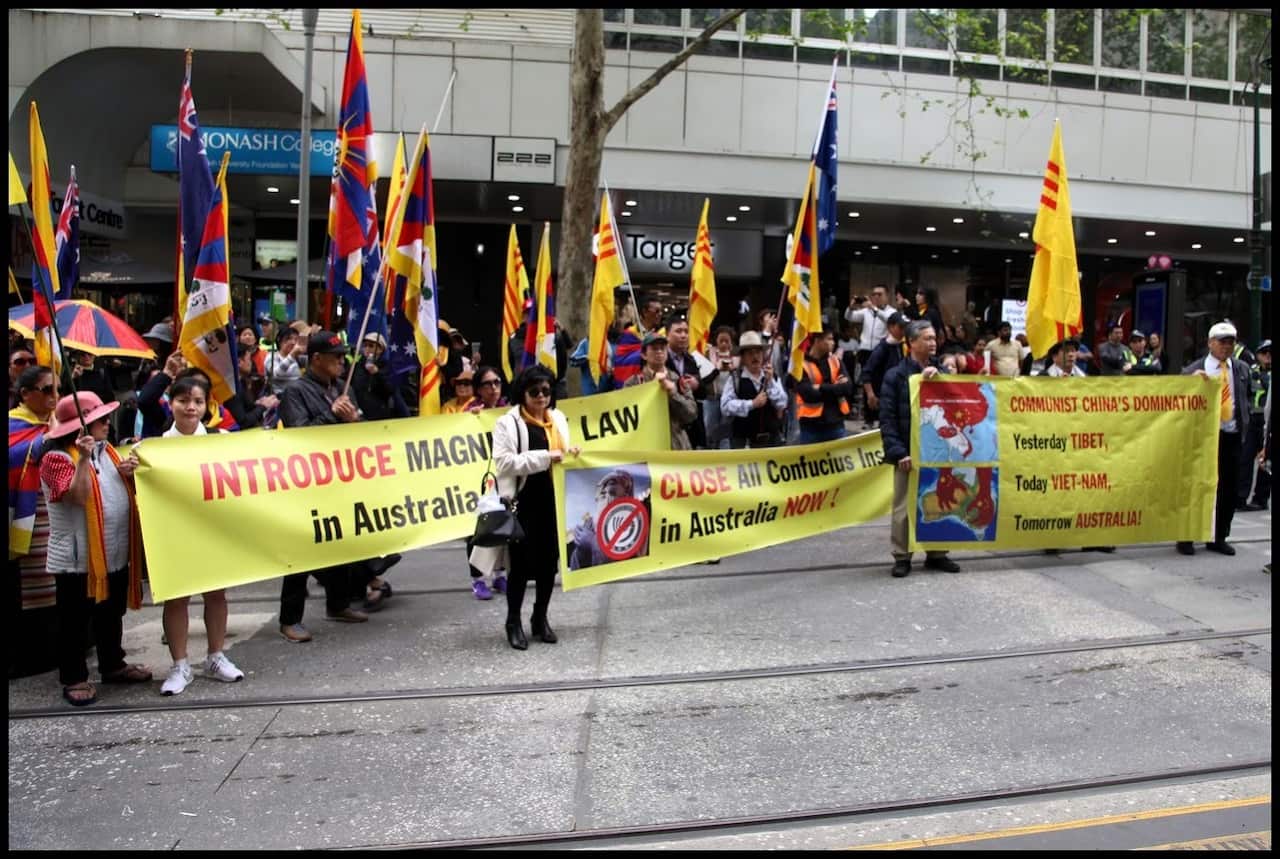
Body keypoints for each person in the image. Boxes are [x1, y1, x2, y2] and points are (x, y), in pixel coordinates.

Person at [40, 390, 150, 706]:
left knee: (110, 612)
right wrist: (84, 459)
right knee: (75, 619)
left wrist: (127, 474)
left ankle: (112, 663)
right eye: (99, 419)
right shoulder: (56, 458)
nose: (106, 423)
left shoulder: (109, 452)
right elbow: (76, 497)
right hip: (77, 558)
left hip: (112, 553)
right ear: (81, 427)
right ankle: (74, 676)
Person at [473, 364, 579, 650]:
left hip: (553, 502)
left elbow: (563, 454)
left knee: (548, 567)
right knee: (518, 569)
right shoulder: (508, 423)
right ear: (523, 392)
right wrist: (547, 457)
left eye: (546, 391)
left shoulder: (557, 418)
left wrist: (571, 453)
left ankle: (540, 618)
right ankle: (513, 621)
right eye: (535, 391)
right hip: (523, 503)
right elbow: (505, 462)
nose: (542, 397)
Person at [276, 331, 370, 642]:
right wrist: (331, 415)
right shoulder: (295, 393)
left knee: (342, 542)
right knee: (302, 549)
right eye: (337, 358)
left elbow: (359, 430)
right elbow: (299, 435)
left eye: (344, 357)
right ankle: (290, 619)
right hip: (308, 484)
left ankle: (338, 604)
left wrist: (353, 419)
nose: (343, 363)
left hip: (341, 479)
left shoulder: (343, 390)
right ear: (316, 359)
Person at [155, 376, 245, 695]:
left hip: (211, 530)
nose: (190, 407)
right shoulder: (154, 447)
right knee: (176, 597)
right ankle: (180, 664)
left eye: (197, 401)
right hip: (174, 531)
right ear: (171, 402)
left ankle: (215, 656)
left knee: (216, 594)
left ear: (207, 405)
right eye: (183, 400)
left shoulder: (221, 440)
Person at [878, 320, 961, 578]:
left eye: (934, 338)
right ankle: (902, 556)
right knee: (903, 506)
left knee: (940, 499)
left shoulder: (942, 372)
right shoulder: (895, 375)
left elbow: (956, 408)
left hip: (937, 450)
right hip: (907, 452)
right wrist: (898, 451)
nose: (933, 343)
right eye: (926, 338)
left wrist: (944, 381)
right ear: (911, 342)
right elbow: (887, 418)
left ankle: (937, 553)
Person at [1176, 321, 1251, 557]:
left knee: (1228, 490)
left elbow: (1244, 400)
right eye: (1222, 342)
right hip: (1202, 439)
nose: (1226, 347)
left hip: (1231, 436)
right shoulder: (1194, 370)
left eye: (1231, 342)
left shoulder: (1240, 369)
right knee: (1195, 487)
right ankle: (1186, 536)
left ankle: (1219, 536)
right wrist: (1190, 382)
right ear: (1210, 343)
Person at [9, 364, 58, 678]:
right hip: (25, 517)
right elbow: (13, 457)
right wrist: (46, 441)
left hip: (56, 515)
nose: (55, 397)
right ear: (26, 395)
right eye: (47, 390)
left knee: (54, 583)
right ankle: (27, 657)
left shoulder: (57, 423)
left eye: (58, 389)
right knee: (29, 588)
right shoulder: (13, 424)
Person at [463, 366, 509, 600]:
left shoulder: (508, 411)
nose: (493, 388)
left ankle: (500, 574)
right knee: (478, 530)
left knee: (504, 525)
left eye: (497, 383)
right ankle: (478, 579)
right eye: (487, 384)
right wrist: (472, 420)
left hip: (503, 477)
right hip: (478, 480)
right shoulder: (469, 413)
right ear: (478, 389)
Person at [626, 330, 699, 450]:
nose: (659, 352)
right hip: (647, 449)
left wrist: (673, 393)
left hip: (676, 448)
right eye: (654, 348)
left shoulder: (679, 380)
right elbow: (628, 420)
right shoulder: (633, 383)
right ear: (644, 355)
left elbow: (691, 414)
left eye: (662, 348)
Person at [720, 330, 787, 449]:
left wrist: (771, 381)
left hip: (771, 442)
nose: (755, 357)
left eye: (758, 352)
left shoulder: (772, 376)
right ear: (743, 357)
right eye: (750, 353)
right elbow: (725, 407)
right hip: (744, 443)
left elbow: (782, 403)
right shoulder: (736, 379)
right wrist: (752, 404)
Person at [568, 469, 646, 571]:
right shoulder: (590, 524)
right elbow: (576, 568)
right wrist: (581, 551)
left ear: (626, 497)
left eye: (612, 492)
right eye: (602, 494)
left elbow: (627, 564)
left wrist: (593, 543)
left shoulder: (634, 522)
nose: (605, 498)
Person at [795, 325, 854, 445]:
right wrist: (836, 386)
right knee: (810, 463)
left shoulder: (835, 361)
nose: (833, 343)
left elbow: (848, 388)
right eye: (829, 339)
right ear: (817, 341)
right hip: (811, 427)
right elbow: (809, 394)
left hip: (835, 423)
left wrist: (821, 387)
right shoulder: (801, 365)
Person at [664, 317, 715, 449]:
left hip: (692, 425)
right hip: (669, 424)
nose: (683, 335)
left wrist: (697, 385)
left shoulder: (692, 359)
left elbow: (704, 393)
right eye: (678, 331)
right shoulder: (660, 359)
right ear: (667, 335)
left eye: (686, 332)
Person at [860, 311, 909, 427]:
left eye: (905, 327)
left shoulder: (904, 346)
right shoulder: (882, 349)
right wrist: (870, 395)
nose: (903, 331)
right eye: (900, 327)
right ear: (890, 327)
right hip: (884, 396)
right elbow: (866, 372)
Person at [1242, 340, 1271, 511]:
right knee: (1245, 458)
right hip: (1253, 419)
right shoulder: (1250, 371)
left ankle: (1261, 498)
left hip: (1268, 420)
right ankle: (1240, 496)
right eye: (1264, 353)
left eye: (1270, 353)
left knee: (1266, 460)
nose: (1268, 356)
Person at [704, 325, 738, 449]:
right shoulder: (708, 353)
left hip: (728, 398)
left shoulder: (737, 354)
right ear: (716, 341)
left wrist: (733, 369)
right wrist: (717, 368)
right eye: (721, 341)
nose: (723, 344)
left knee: (725, 431)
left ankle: (725, 456)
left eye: (726, 341)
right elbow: (705, 375)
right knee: (710, 428)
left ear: (731, 341)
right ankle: (712, 453)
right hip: (712, 397)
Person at [350, 332, 396, 420]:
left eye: (371, 346)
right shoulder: (357, 366)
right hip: (358, 413)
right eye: (365, 345)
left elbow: (390, 390)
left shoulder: (386, 367)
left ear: (380, 349)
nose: (367, 349)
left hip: (377, 415)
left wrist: (377, 374)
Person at [264, 325, 304, 395]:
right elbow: (276, 374)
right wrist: (292, 355)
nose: (293, 342)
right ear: (279, 340)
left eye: (296, 339)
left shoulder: (298, 358)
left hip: (296, 396)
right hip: (278, 398)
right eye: (289, 339)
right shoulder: (272, 357)